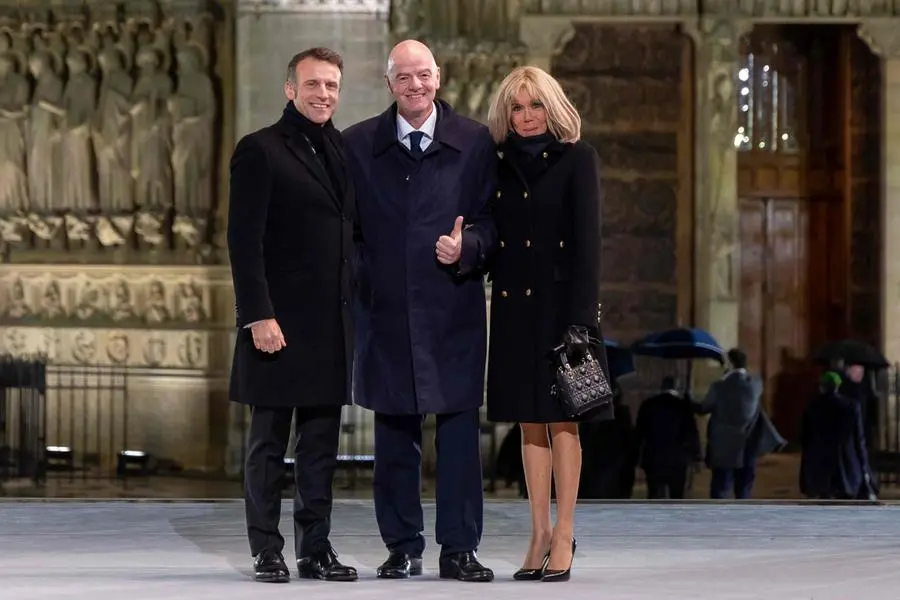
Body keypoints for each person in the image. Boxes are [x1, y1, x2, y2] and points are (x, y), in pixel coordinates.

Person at [342, 40, 497, 582]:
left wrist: (468, 248)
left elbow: (492, 223)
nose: (415, 85)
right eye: (404, 77)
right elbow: (347, 233)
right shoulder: (358, 144)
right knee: (394, 439)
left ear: (439, 77)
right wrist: (369, 276)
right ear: (389, 84)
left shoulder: (475, 142)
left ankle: (459, 549)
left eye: (424, 75)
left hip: (451, 311)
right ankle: (402, 547)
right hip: (384, 314)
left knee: (458, 437)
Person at [227, 47, 358, 584]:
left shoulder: (343, 150)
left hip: (330, 325)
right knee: (268, 444)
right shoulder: (259, 149)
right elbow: (243, 240)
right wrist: (258, 315)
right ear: (290, 89)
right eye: (313, 85)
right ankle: (267, 549)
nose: (323, 93)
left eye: (331, 85)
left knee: (321, 446)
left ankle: (315, 548)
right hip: (277, 325)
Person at [483, 65, 603, 582]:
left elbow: (588, 248)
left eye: (535, 106)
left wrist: (580, 323)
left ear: (553, 108)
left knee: (563, 421)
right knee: (528, 422)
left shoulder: (579, 160)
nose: (527, 117)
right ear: (506, 115)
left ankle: (564, 531)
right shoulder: (496, 163)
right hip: (513, 309)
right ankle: (536, 532)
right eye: (517, 107)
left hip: (562, 312)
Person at [694, 348, 763, 499]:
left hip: (723, 446)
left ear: (730, 364)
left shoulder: (719, 387)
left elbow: (704, 408)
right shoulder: (756, 384)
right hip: (747, 444)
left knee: (721, 487)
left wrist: (689, 401)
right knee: (744, 487)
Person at [800, 371, 877, 500]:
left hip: (821, 464)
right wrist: (864, 466)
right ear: (838, 386)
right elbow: (859, 439)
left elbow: (805, 436)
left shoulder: (813, 405)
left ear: (823, 386)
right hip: (846, 464)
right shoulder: (852, 406)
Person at [634, 377, 701, 500]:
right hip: (677, 460)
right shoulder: (684, 407)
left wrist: (636, 458)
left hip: (654, 458)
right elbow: (692, 434)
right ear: (676, 388)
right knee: (676, 496)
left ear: (662, 387)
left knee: (654, 495)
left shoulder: (648, 405)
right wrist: (697, 457)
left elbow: (639, 434)